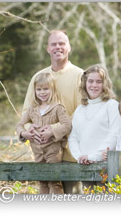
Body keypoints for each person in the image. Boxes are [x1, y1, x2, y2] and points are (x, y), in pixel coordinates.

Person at [22, 30, 84, 193]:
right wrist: (30, 131)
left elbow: (82, 113)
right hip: (44, 154)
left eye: (62, 43)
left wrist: (54, 130)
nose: (58, 47)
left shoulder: (80, 76)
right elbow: (26, 113)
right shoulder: (38, 77)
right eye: (54, 44)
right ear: (47, 48)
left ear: (69, 47)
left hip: (72, 153)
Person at [16, 72, 72, 194]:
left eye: (46, 89)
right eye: (39, 89)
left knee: (54, 181)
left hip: (53, 152)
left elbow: (67, 125)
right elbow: (19, 125)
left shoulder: (58, 108)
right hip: (37, 152)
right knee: (42, 181)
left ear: (52, 90)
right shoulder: (32, 109)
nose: (42, 92)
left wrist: (51, 132)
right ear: (35, 91)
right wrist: (25, 134)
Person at [68, 65, 121, 189]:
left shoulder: (112, 105)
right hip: (85, 167)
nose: (94, 85)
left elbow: (114, 135)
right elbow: (73, 137)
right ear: (85, 83)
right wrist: (79, 157)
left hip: (107, 168)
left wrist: (93, 157)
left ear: (105, 84)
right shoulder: (80, 109)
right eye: (90, 81)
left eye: (99, 81)